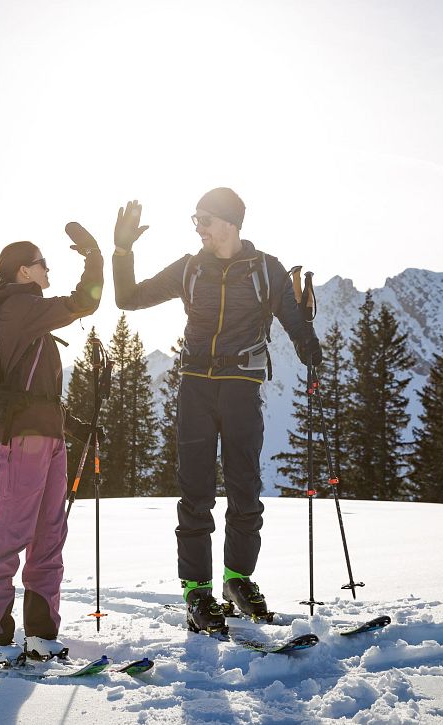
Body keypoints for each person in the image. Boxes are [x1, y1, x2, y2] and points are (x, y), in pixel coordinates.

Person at [112, 188, 322, 633]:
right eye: (196, 220)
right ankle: (197, 592)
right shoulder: (190, 268)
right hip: (196, 389)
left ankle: (237, 581)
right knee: (196, 493)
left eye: (204, 219)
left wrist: (309, 342)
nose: (199, 228)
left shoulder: (266, 269)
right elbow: (128, 298)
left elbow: (292, 322)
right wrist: (123, 250)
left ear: (229, 222)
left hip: (242, 389)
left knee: (245, 490)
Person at [0, 226, 104, 664]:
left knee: (48, 536)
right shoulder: (20, 306)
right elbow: (85, 300)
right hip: (23, 440)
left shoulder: (27, 312)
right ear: (24, 271)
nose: (48, 268)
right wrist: (94, 257)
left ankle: (40, 636)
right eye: (42, 262)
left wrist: (71, 424)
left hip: (46, 435)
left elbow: (37, 387)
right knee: (12, 535)